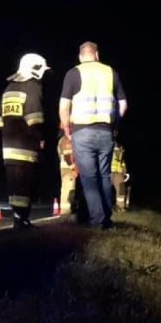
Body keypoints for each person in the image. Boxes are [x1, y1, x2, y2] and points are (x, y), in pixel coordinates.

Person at [58, 41, 128, 230]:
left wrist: (66, 128)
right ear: (97, 54)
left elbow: (63, 105)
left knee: (89, 178)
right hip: (106, 131)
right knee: (105, 175)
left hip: (82, 131)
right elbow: (123, 104)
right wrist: (115, 124)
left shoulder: (73, 73)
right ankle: (107, 217)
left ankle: (99, 220)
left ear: (81, 56)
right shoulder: (110, 72)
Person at [0, 53, 49, 229]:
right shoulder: (32, 87)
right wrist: (40, 137)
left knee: (14, 184)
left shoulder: (8, 89)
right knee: (26, 183)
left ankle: (18, 218)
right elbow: (34, 116)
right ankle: (22, 220)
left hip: (8, 145)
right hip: (26, 144)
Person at [57, 130, 77, 215]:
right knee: (69, 188)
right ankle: (66, 211)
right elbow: (67, 155)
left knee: (68, 188)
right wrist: (73, 168)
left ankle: (68, 209)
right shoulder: (66, 140)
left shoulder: (64, 139)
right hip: (68, 168)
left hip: (67, 167)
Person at [111, 133, 130, 211]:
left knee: (121, 190)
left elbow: (122, 160)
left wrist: (125, 171)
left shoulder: (121, 145)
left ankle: (120, 207)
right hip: (110, 171)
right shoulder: (110, 145)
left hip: (118, 172)